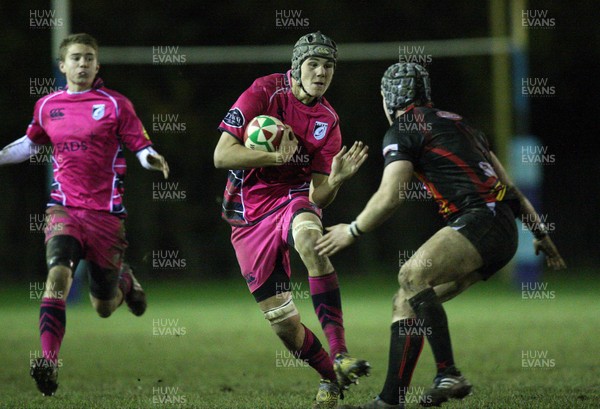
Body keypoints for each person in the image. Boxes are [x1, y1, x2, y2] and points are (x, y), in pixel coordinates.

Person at [315, 62, 566, 409]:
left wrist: (353, 229)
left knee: (412, 275)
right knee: (406, 301)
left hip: (480, 220)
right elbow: (509, 188)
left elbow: (392, 195)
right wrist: (540, 233)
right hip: (501, 230)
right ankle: (390, 400)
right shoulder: (461, 124)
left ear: (389, 98)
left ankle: (449, 373)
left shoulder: (403, 129)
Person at [0, 33, 169, 396]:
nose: (82, 63)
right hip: (64, 209)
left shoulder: (115, 104)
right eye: (75, 58)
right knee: (58, 274)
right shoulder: (47, 106)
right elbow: (30, 145)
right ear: (62, 66)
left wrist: (150, 158)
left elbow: (139, 145)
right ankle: (48, 360)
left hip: (106, 216)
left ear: (97, 65)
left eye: (89, 58)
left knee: (104, 307)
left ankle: (124, 280)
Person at [213, 31, 370, 408]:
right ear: (296, 67)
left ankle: (341, 352)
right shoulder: (264, 92)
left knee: (310, 242)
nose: (320, 72)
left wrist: (334, 180)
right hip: (248, 216)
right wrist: (273, 158)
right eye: (313, 64)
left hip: (293, 200)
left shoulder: (327, 120)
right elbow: (222, 155)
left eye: (328, 66)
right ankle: (330, 378)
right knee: (283, 323)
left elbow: (318, 195)